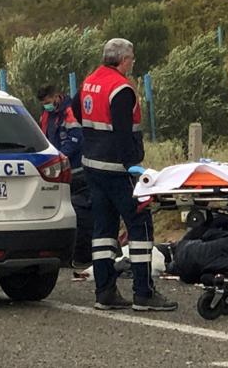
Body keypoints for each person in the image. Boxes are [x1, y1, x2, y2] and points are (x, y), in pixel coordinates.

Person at [79, 38, 176, 312]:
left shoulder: (91, 80)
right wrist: (132, 165)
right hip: (118, 170)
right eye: (131, 58)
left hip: (93, 166)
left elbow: (78, 110)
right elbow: (123, 131)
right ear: (123, 59)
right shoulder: (120, 88)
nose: (133, 62)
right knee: (140, 224)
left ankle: (105, 291)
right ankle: (143, 292)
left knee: (103, 231)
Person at [36, 85, 91, 269]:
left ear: (57, 97)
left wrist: (58, 157)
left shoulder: (69, 112)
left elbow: (76, 140)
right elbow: (43, 138)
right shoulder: (46, 115)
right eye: (44, 104)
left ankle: (79, 253)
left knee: (77, 209)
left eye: (49, 103)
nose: (47, 106)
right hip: (56, 170)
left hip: (75, 170)